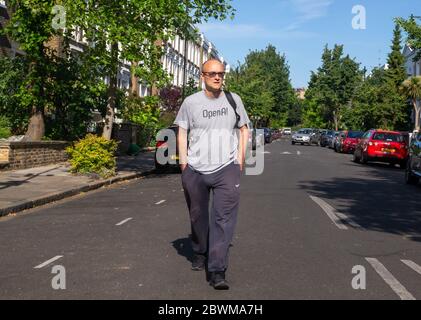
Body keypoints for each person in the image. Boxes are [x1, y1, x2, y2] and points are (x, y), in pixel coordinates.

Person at [174, 59, 250, 290]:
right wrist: (184, 164)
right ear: (203, 76)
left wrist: (240, 160)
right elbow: (182, 132)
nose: (217, 77)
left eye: (221, 73)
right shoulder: (190, 102)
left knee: (223, 220)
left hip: (226, 167)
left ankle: (217, 270)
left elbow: (244, 128)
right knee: (198, 216)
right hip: (195, 169)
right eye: (212, 73)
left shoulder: (233, 99)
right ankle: (199, 249)